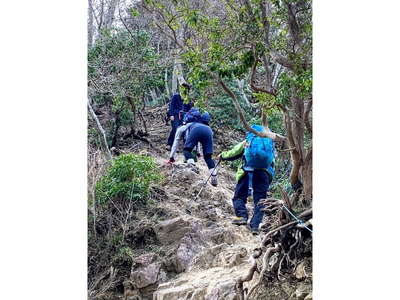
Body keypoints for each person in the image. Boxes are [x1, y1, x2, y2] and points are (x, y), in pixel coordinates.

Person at [217, 124, 275, 235]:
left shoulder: (248, 141)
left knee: (239, 196)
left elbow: (233, 153)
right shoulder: (269, 145)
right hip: (264, 174)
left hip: (246, 172)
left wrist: (222, 156)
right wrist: (269, 178)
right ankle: (255, 226)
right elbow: (272, 163)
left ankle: (242, 216)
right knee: (260, 200)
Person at [168, 110, 218, 186]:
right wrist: (198, 152)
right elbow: (197, 141)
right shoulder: (204, 125)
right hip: (209, 131)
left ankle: (193, 167)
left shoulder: (185, 126)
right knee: (208, 157)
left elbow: (176, 142)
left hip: (196, 130)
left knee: (186, 151)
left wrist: (171, 157)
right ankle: (214, 177)